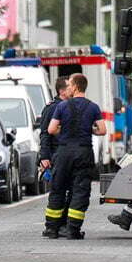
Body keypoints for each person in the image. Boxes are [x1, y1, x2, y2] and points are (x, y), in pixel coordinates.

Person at [43, 73, 106, 239]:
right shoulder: (93, 107)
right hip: (84, 152)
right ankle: (73, 229)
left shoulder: (62, 106)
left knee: (57, 188)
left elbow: (51, 129)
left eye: (70, 85)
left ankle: (51, 229)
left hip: (64, 152)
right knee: (80, 190)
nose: (68, 88)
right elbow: (102, 130)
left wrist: (63, 130)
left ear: (76, 86)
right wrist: (89, 130)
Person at [36, 76, 69, 219]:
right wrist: (44, 156)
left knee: (66, 190)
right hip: (56, 154)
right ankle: (56, 224)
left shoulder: (69, 106)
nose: (73, 89)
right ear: (62, 91)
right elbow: (45, 133)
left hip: (65, 154)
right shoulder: (53, 108)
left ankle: (60, 223)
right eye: (69, 87)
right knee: (59, 190)